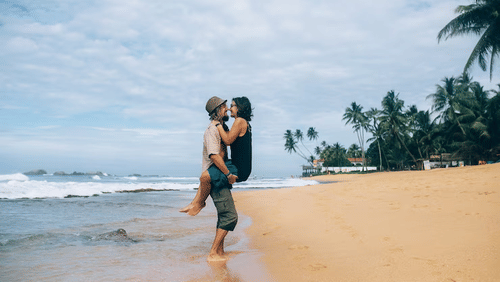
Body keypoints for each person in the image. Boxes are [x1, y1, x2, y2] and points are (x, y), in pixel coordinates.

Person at [180, 97, 252, 216]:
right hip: (237, 164)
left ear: (240, 108)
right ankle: (195, 203)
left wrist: (218, 125)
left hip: (238, 167)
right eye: (227, 106)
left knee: (204, 177)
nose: (229, 108)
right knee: (207, 175)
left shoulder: (239, 121)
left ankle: (199, 203)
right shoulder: (243, 123)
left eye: (232, 105)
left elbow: (228, 140)